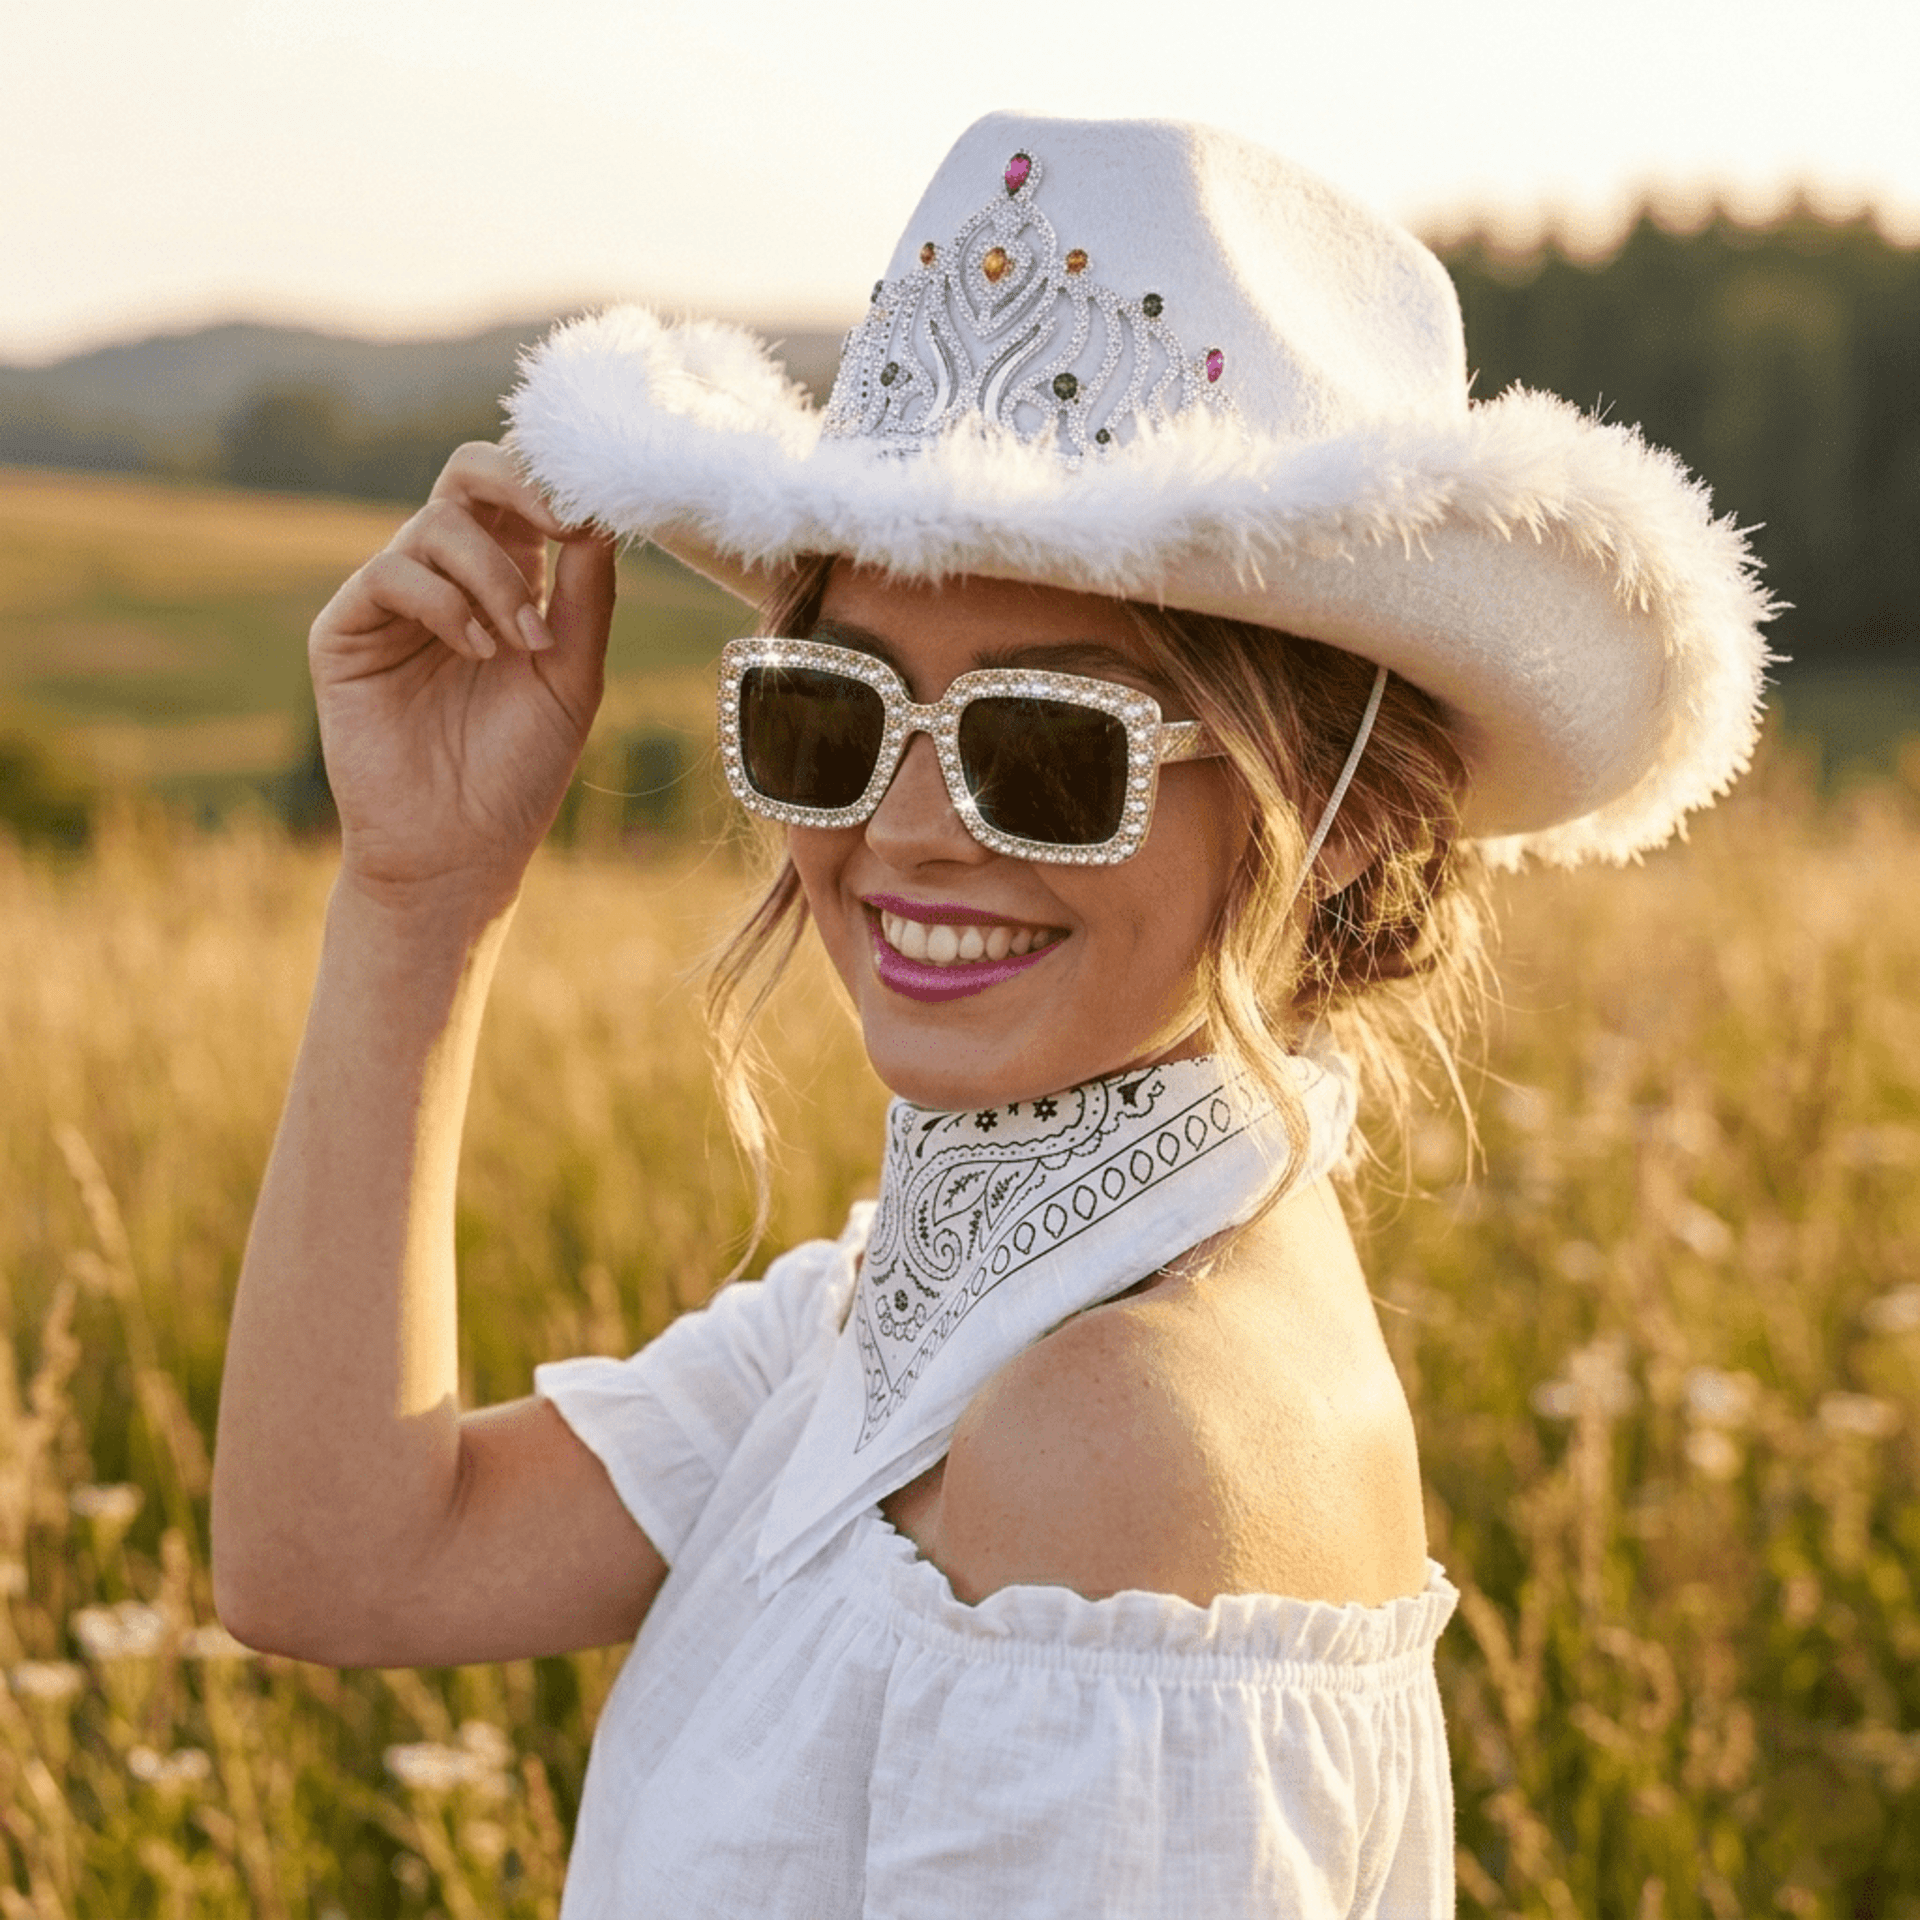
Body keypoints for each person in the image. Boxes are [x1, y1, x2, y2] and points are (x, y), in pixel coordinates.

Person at [211, 112, 1771, 1916]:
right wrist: (420, 892)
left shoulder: (1113, 1438)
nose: (908, 828)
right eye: (830, 712)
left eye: (1054, 746)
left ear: (1341, 820)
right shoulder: (921, 1325)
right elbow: (338, 1562)